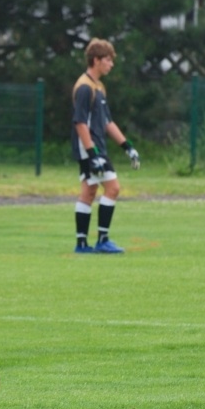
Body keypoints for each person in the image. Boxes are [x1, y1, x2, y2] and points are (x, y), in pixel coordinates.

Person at [71, 38, 140, 254]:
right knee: (113, 188)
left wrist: (127, 146)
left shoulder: (99, 87)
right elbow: (80, 123)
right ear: (96, 60)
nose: (111, 65)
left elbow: (108, 122)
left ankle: (82, 243)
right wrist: (92, 154)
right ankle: (102, 240)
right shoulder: (84, 87)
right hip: (90, 148)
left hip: (97, 147)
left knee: (89, 191)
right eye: (108, 60)